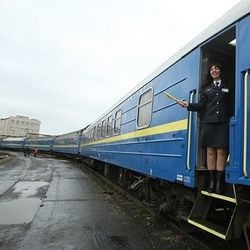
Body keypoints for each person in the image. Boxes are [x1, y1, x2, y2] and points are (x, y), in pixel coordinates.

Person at [178, 63, 233, 194]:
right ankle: (212, 183)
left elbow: (232, 103)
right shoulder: (207, 89)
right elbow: (201, 105)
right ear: (210, 73)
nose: (214, 71)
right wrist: (188, 104)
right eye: (211, 69)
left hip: (223, 122)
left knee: (222, 151)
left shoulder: (228, 85)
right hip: (209, 123)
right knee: (210, 152)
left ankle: (219, 184)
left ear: (220, 70)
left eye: (216, 68)